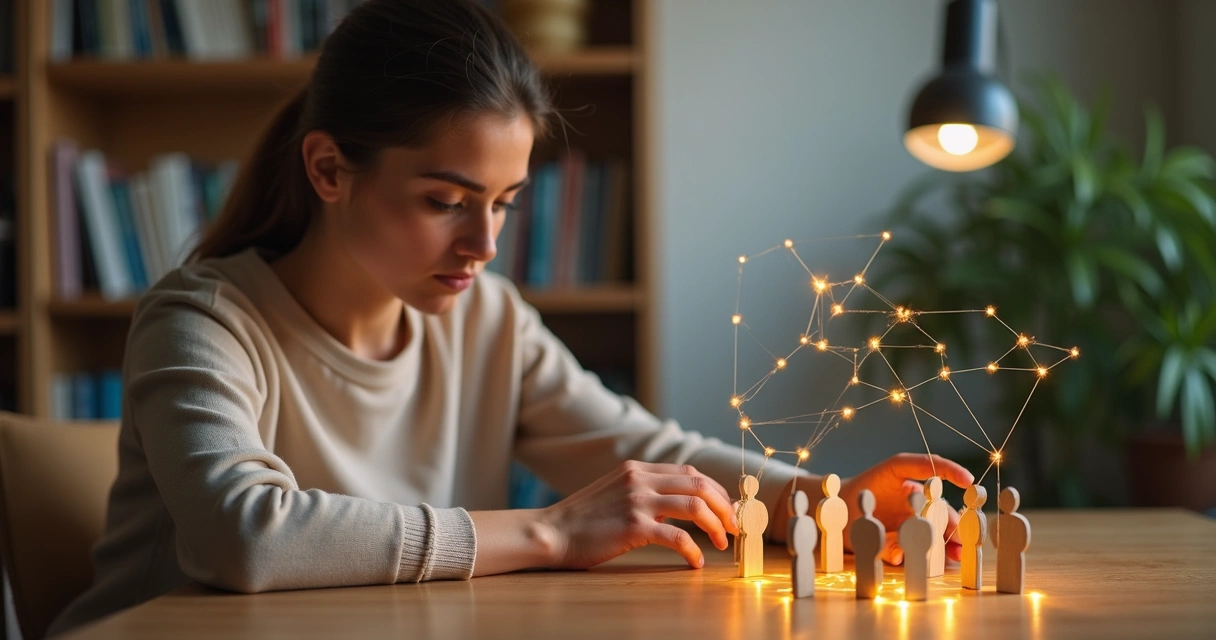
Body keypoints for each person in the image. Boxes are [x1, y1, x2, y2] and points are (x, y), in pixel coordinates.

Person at [48, 0, 972, 634]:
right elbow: (242, 535)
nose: (484, 242)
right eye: (446, 200)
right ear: (328, 169)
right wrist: (553, 534)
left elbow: (647, 454)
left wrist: (825, 502)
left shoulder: (485, 318)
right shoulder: (203, 318)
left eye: (505, 202)